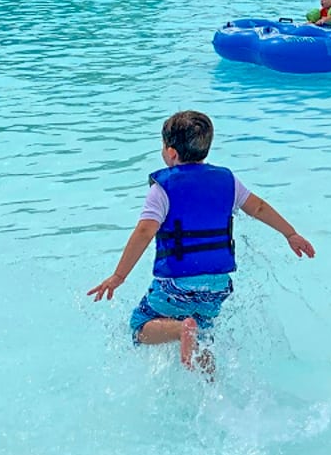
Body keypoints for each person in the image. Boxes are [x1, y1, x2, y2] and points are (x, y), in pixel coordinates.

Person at [87, 110, 315, 371]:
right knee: (204, 336)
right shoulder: (228, 181)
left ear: (171, 152)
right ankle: (211, 388)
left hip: (176, 284)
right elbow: (259, 208)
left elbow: (144, 232)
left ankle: (180, 330)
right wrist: (290, 233)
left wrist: (118, 276)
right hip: (216, 286)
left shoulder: (162, 188)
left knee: (139, 326)